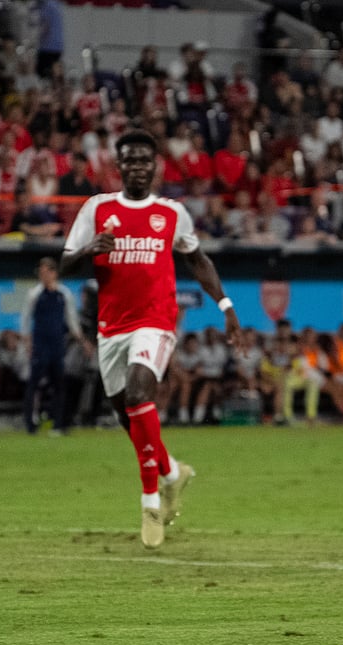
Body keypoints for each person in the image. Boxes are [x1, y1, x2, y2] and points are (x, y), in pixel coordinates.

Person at [60, 129, 244, 549]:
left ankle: (149, 501)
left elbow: (198, 260)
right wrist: (89, 249)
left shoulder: (172, 213)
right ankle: (172, 473)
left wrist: (226, 306)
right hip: (111, 329)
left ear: (155, 166)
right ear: (118, 165)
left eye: (146, 160)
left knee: (139, 391)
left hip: (156, 321)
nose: (138, 167)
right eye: (130, 160)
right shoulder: (97, 208)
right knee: (129, 418)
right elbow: (65, 262)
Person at [20, 257, 89, 435]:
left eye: (46, 272)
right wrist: (28, 343)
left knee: (59, 385)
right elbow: (25, 320)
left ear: (54, 273)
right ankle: (30, 424)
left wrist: (83, 342)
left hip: (57, 345)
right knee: (33, 385)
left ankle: (58, 424)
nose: (43, 276)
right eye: (40, 273)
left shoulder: (64, 294)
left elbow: (71, 320)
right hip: (40, 344)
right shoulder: (34, 294)